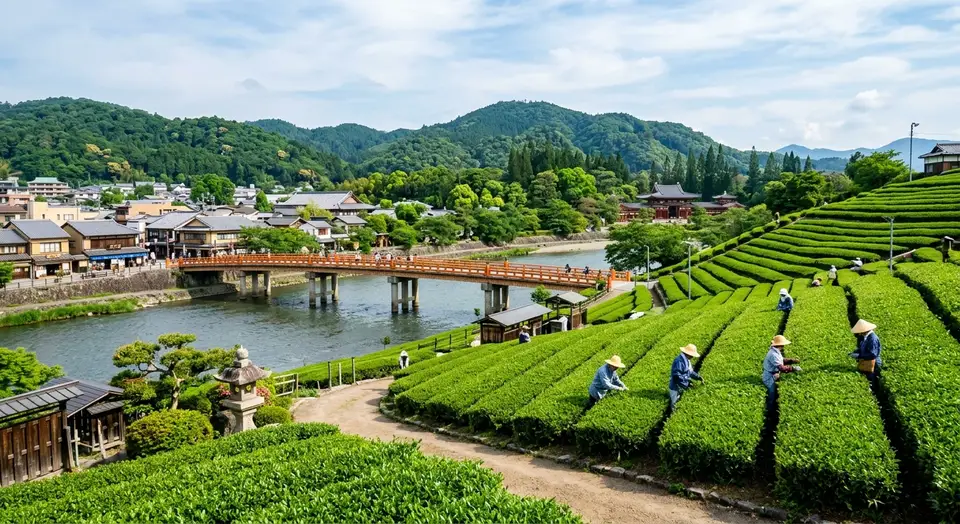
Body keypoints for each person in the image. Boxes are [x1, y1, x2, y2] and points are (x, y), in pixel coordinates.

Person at [761, 335, 801, 412]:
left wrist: (792, 361)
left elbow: (781, 360)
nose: (783, 346)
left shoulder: (776, 351)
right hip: (769, 376)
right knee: (772, 392)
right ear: (780, 345)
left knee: (775, 390)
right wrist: (793, 368)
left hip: (774, 374)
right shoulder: (773, 354)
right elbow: (781, 368)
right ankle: (770, 409)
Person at [668, 344, 703, 411]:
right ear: (688, 354)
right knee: (674, 403)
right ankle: (673, 412)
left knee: (680, 399)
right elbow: (677, 376)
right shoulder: (679, 361)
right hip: (675, 386)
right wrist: (686, 385)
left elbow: (690, 371)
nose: (692, 357)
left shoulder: (687, 360)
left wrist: (698, 377)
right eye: (692, 355)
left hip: (682, 385)